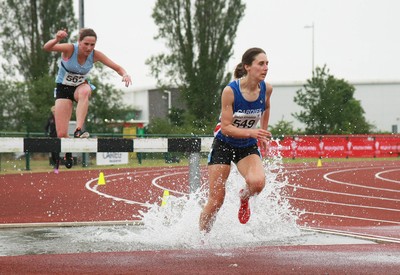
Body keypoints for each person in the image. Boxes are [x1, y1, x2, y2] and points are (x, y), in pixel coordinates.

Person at [199, 47, 273, 233]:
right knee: (216, 200)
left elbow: (267, 108)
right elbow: (226, 127)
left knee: (257, 183)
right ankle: (201, 238)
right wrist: (252, 132)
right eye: (261, 64)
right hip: (224, 144)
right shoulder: (230, 91)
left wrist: (262, 132)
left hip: (246, 147)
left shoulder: (267, 89)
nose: (265, 68)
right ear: (248, 66)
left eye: (267, 64)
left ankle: (244, 197)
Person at [43, 28, 132, 169]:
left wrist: (125, 74)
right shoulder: (69, 48)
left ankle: (78, 129)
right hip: (63, 89)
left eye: (92, 45)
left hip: (80, 87)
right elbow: (47, 47)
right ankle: (67, 153)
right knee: (60, 133)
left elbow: (116, 67)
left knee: (85, 91)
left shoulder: (95, 55)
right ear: (79, 42)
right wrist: (57, 39)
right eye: (86, 44)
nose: (89, 48)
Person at [44, 106, 60, 174]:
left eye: (55, 111)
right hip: (52, 137)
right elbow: (46, 127)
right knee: (52, 153)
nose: (54, 112)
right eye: (53, 111)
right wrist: (46, 134)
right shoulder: (50, 119)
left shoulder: (60, 118)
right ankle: (54, 164)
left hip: (58, 137)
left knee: (57, 153)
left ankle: (57, 167)